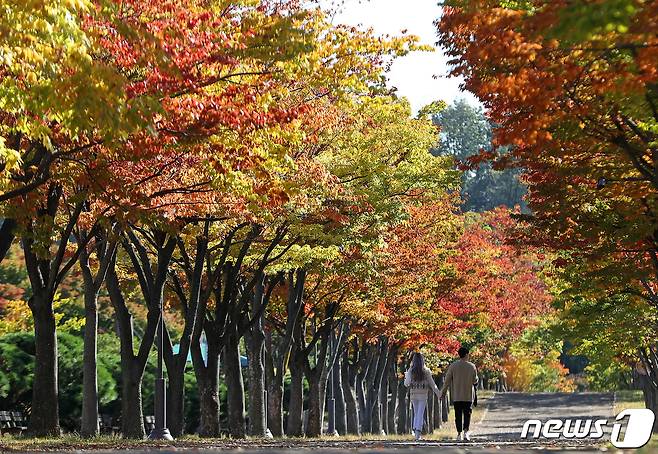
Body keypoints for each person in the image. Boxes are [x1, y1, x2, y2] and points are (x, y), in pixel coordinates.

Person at [440, 346, 479, 441]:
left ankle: (459, 434)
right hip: (468, 395)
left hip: (457, 395)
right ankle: (466, 433)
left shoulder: (453, 366)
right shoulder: (472, 366)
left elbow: (447, 381)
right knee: (467, 414)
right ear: (466, 354)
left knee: (458, 415)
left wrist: (443, 392)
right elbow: (475, 380)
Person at [404, 352, 441, 441]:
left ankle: (416, 431)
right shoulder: (426, 371)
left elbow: (406, 384)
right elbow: (433, 384)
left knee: (417, 413)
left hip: (413, 395)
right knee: (420, 413)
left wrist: (406, 376)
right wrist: (439, 394)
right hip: (423, 395)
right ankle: (417, 432)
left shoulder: (411, 370)